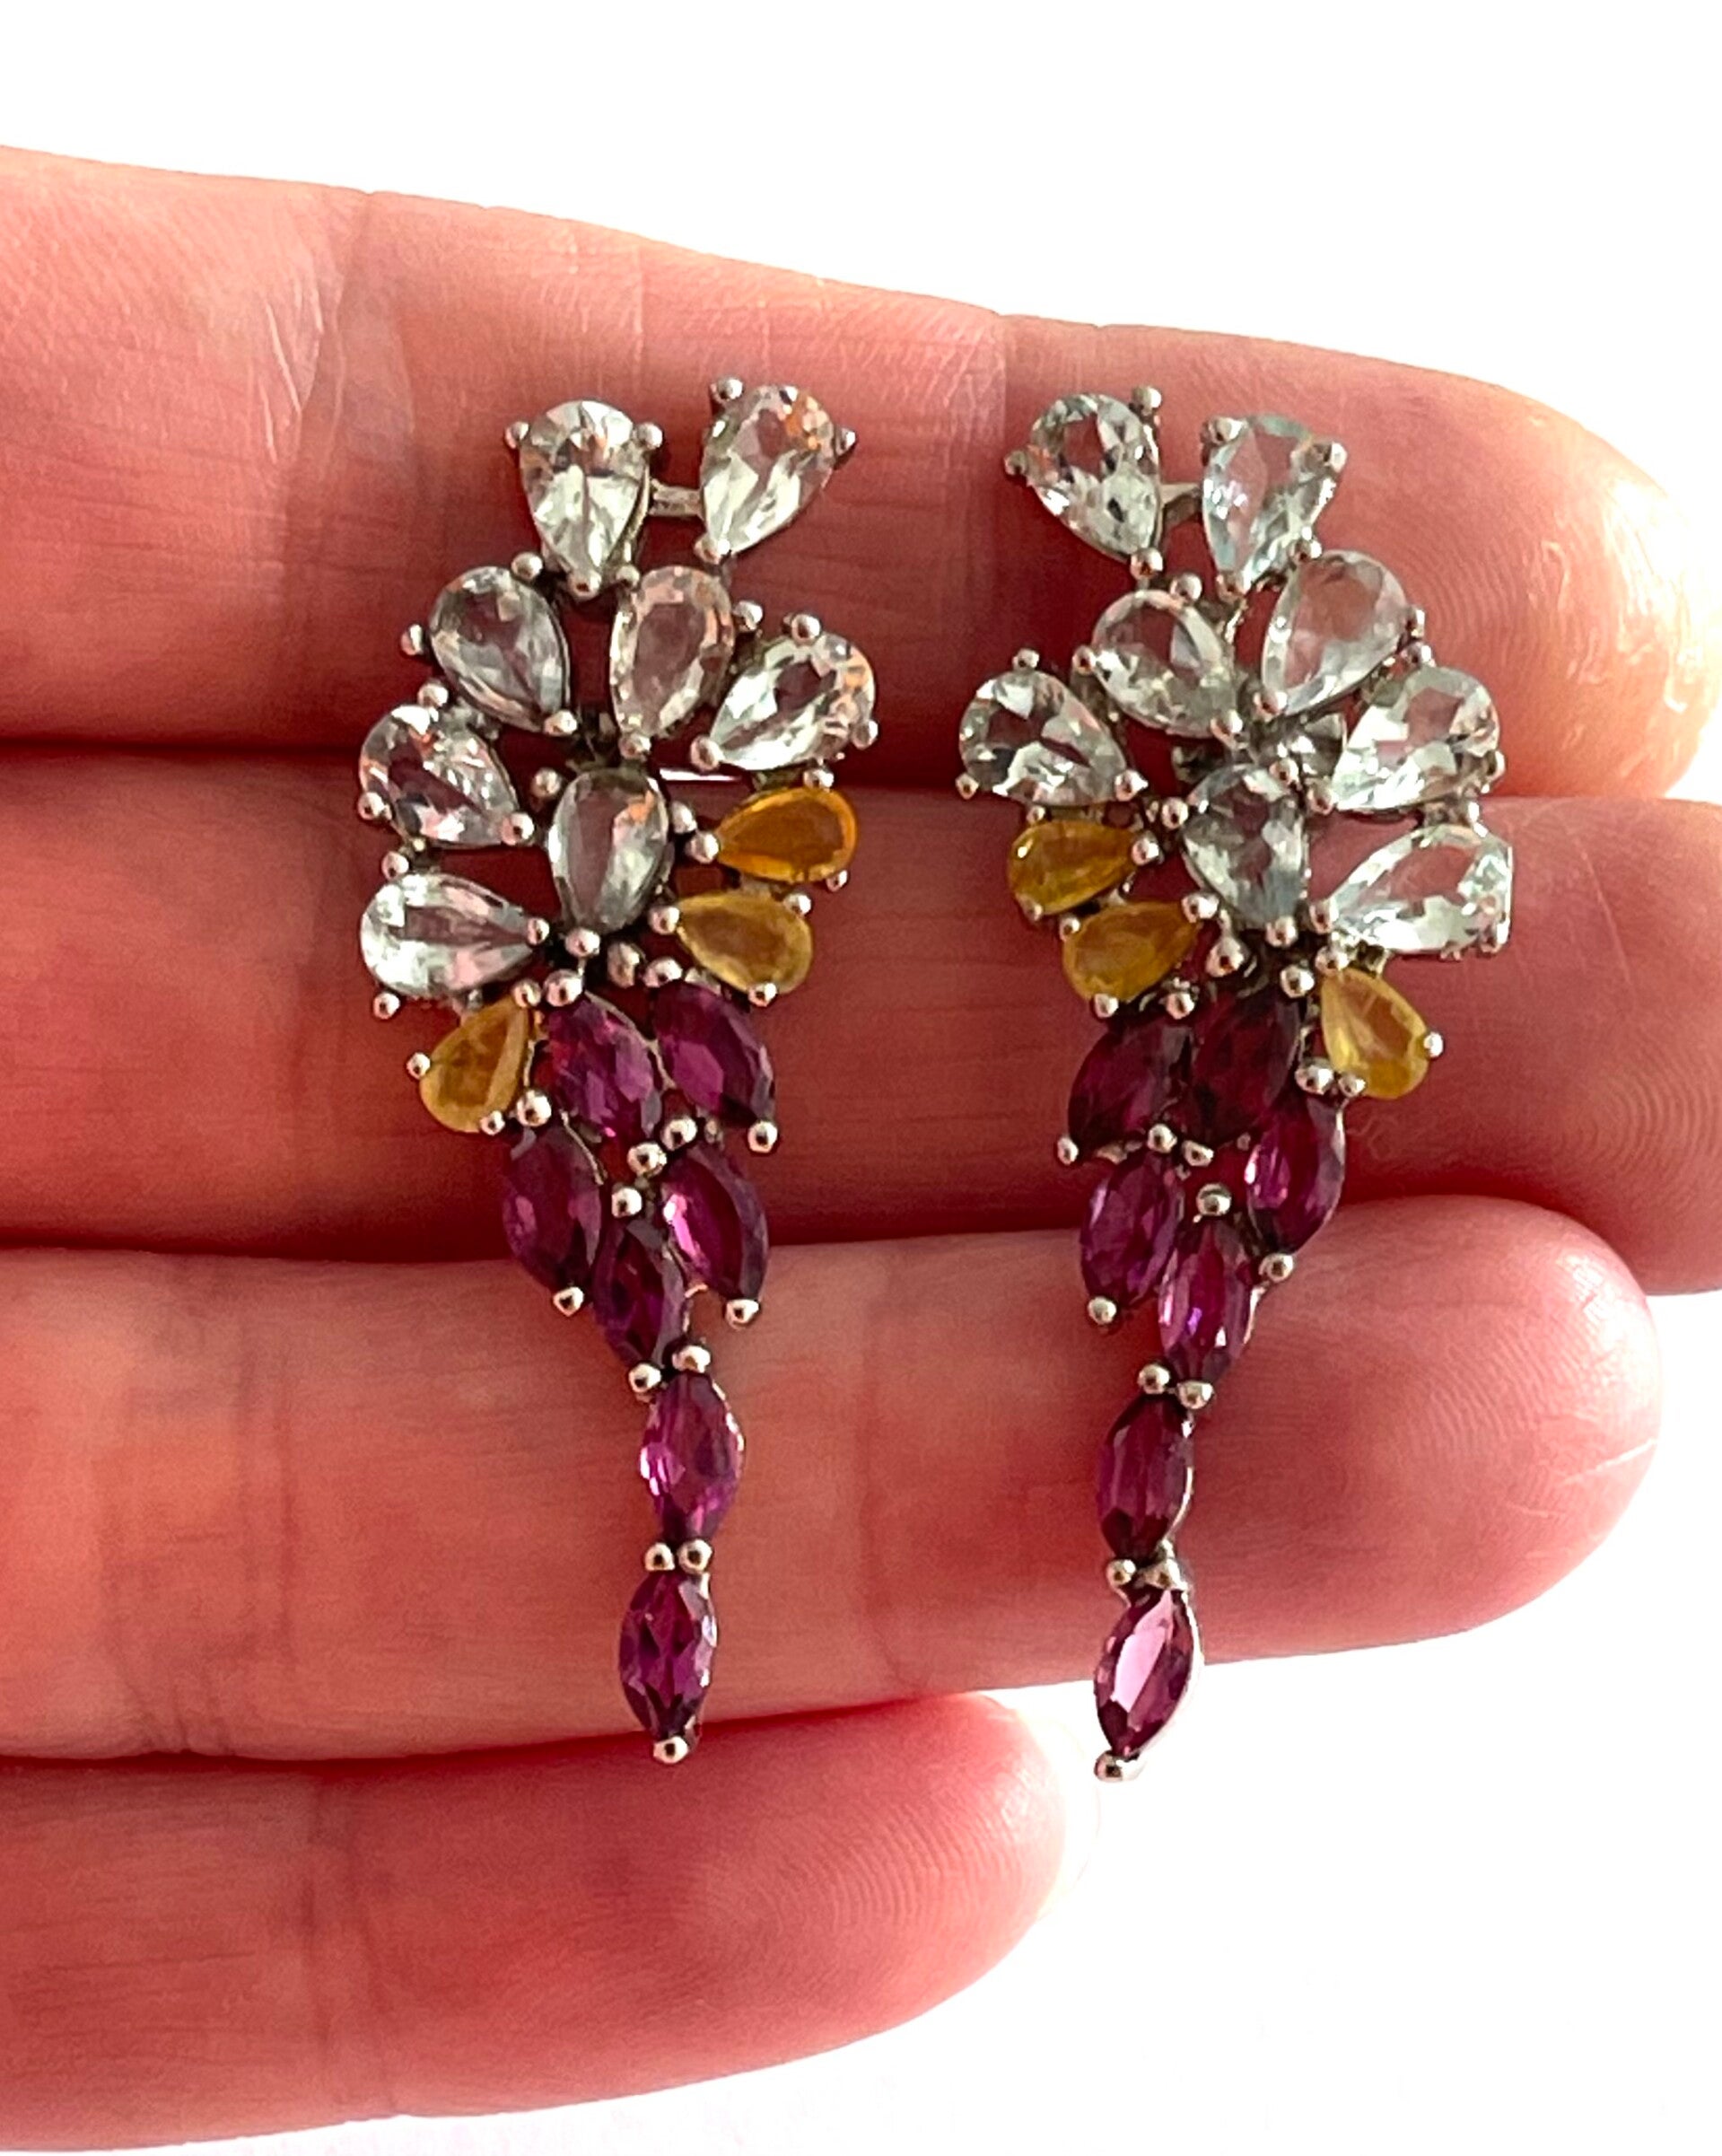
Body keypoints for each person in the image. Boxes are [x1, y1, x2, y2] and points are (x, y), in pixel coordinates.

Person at [0, 145, 1715, 2148]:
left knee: (1143, 1245)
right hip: (613, 954)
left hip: (1061, 946)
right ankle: (800, 1513)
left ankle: (972, 1529)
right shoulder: (606, 788)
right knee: (715, 1260)